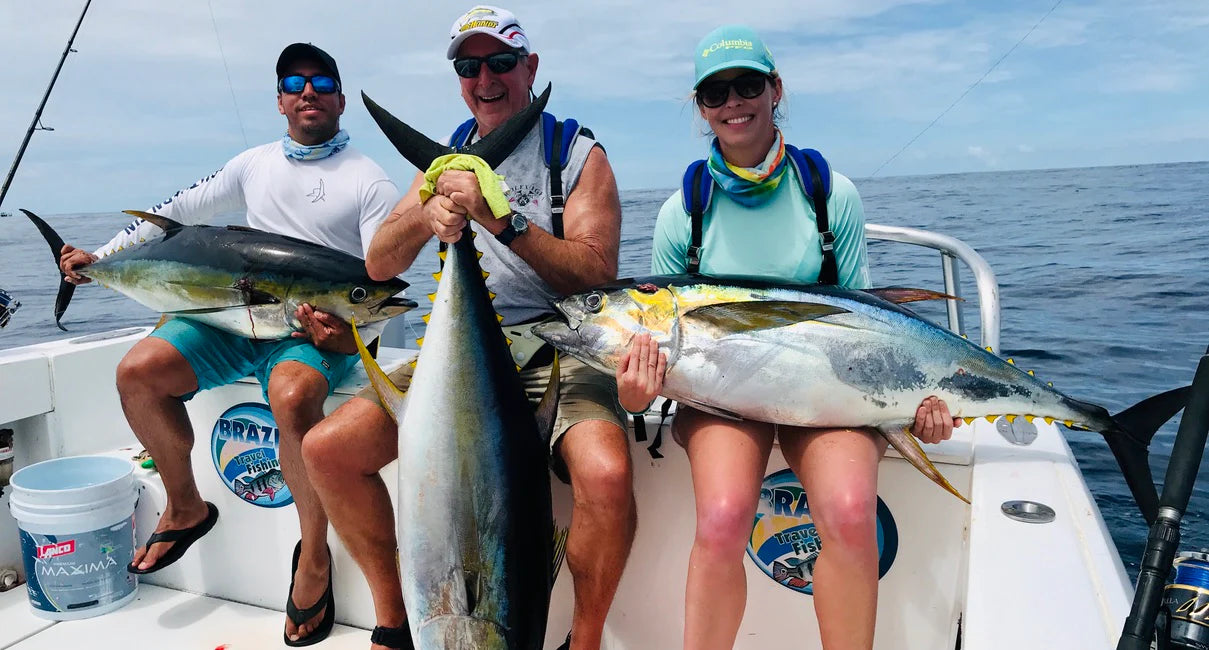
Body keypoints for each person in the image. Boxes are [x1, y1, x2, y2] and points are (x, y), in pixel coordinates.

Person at [614, 25, 961, 650]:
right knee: (721, 521)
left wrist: (919, 406)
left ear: (776, 90)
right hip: (725, 399)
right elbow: (656, 366)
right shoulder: (682, 212)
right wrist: (637, 395)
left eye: (747, 84)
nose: (733, 103)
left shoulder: (830, 195)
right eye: (714, 94)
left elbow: (867, 323)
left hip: (826, 394)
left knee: (853, 517)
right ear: (700, 108)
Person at [302, 6, 634, 650]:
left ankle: (585, 641)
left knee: (606, 475)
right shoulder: (445, 162)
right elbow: (379, 262)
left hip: (566, 340)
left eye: (502, 63)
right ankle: (400, 621)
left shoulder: (576, 154)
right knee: (327, 451)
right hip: (468, 345)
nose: (486, 78)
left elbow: (595, 275)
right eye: (469, 66)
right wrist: (432, 211)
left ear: (529, 67)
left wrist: (501, 220)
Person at [56, 43, 400, 646]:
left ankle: (314, 557)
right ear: (280, 100)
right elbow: (175, 212)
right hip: (232, 317)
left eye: (322, 82)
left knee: (292, 396)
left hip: (312, 329)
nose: (308, 92)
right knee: (139, 371)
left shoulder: (368, 179)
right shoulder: (252, 165)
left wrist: (349, 330)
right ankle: (186, 506)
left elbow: (375, 277)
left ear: (342, 98)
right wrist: (101, 257)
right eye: (295, 82)